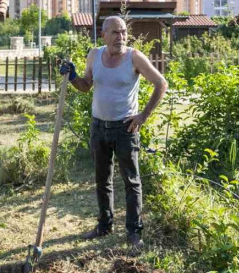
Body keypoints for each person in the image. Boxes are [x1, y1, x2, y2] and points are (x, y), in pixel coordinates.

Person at [59, 16, 167, 248]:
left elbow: (161, 83)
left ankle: (133, 232)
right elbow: (86, 86)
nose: (121, 37)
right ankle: (104, 225)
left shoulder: (134, 57)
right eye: (116, 33)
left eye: (124, 32)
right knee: (101, 179)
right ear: (104, 35)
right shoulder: (94, 55)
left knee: (131, 181)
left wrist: (143, 116)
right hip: (99, 127)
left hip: (124, 129)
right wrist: (73, 77)